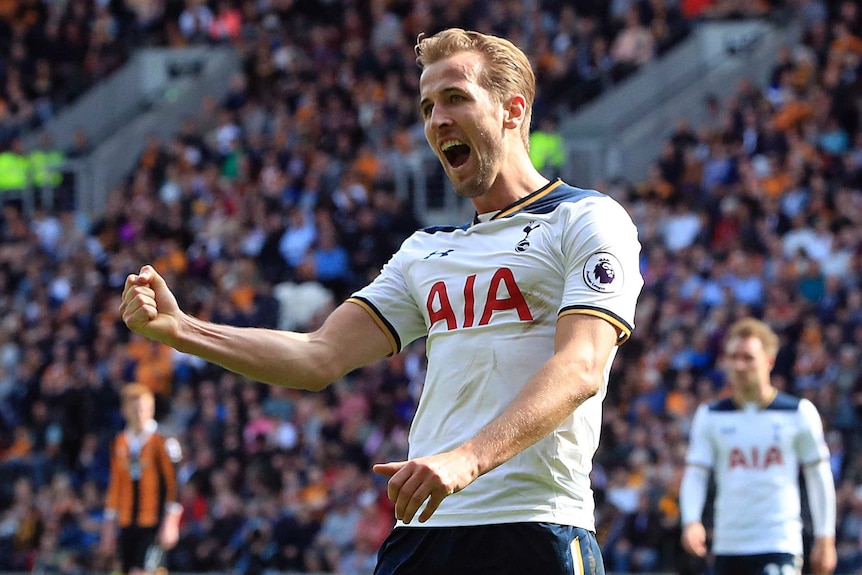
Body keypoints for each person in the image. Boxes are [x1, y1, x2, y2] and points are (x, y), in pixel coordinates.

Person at [120, 28, 643, 575]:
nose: (436, 120)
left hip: (533, 528)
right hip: (425, 534)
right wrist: (183, 331)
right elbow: (317, 356)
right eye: (426, 106)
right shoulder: (425, 252)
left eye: (456, 98)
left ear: (513, 111)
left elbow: (581, 366)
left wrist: (467, 459)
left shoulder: (585, 219)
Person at [679, 318, 837, 575]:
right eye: (733, 357)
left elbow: (818, 477)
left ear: (769, 361)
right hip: (728, 544)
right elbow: (696, 473)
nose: (739, 365)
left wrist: (825, 538)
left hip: (778, 541)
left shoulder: (798, 413)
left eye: (748, 357)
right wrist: (691, 520)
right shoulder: (710, 416)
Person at [100, 383, 183, 574]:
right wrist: (109, 523)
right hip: (127, 519)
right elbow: (116, 484)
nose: (140, 413)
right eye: (135, 408)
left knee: (145, 570)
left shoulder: (163, 440)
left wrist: (171, 521)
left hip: (153, 519)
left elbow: (174, 483)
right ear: (124, 410)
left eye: (144, 409)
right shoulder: (119, 442)